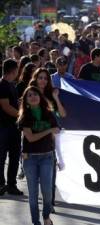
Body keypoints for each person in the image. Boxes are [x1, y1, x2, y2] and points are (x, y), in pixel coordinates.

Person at [17, 86, 60, 225]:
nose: (33, 97)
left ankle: (46, 216)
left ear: (40, 97)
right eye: (29, 95)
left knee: (47, 192)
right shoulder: (24, 117)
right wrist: (49, 130)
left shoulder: (49, 113)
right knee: (33, 194)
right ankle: (36, 222)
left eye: (35, 94)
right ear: (26, 100)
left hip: (47, 156)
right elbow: (31, 138)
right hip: (30, 158)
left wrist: (59, 156)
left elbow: (57, 133)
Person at [0, 59, 24, 196]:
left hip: (13, 127)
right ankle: (0, 184)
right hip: (3, 127)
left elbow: (12, 103)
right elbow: (5, 106)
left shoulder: (11, 85)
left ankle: (11, 185)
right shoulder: (2, 85)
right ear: (13, 70)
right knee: (1, 157)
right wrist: (21, 115)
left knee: (14, 156)